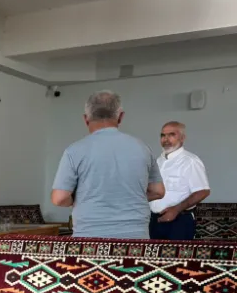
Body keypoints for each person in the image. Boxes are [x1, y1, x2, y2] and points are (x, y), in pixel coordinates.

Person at [51, 91, 165, 239]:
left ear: (86, 119)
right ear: (120, 117)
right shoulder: (143, 148)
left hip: (89, 238)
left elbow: (59, 198)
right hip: (136, 238)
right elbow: (158, 191)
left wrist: (80, 200)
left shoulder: (74, 151)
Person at [149, 121, 211, 241]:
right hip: (154, 221)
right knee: (153, 254)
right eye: (163, 135)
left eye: (171, 135)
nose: (166, 139)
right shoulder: (158, 161)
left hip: (179, 221)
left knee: (178, 254)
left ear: (182, 138)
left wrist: (176, 210)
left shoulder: (190, 161)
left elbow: (203, 191)